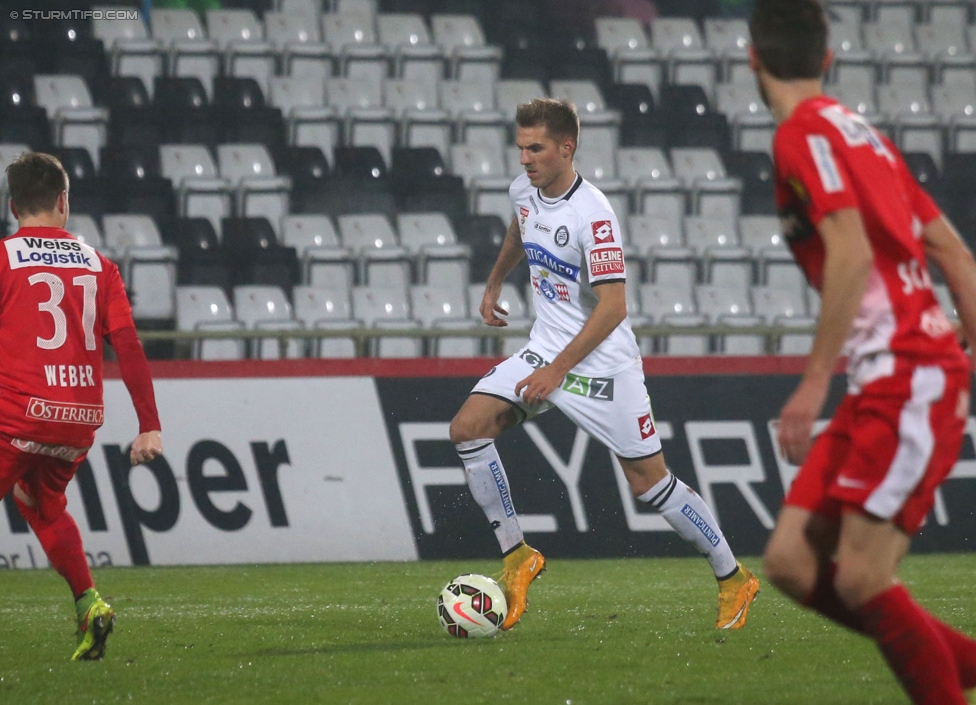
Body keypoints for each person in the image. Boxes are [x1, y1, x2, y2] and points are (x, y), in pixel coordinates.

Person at [449, 98, 760, 632]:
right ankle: (517, 556)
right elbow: (519, 230)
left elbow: (615, 306)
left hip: (604, 367)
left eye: (536, 148)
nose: (524, 159)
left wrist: (557, 372)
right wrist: (496, 279)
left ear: (566, 148)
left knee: (650, 485)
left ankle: (733, 577)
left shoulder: (593, 212)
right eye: (521, 147)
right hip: (546, 348)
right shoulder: (523, 190)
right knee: (467, 429)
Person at [749, 2, 976, 702]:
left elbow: (846, 246)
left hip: (906, 372)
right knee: (789, 559)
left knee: (860, 576)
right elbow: (954, 254)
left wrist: (814, 382)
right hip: (902, 370)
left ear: (752, 60)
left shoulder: (799, 135)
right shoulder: (865, 136)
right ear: (828, 58)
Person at [0, 152, 163, 661]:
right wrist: (149, 426)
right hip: (75, 421)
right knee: (41, 504)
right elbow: (129, 345)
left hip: (16, 415)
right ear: (64, 203)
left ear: (12, 206)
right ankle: (89, 603)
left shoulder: (4, 259)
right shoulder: (101, 266)